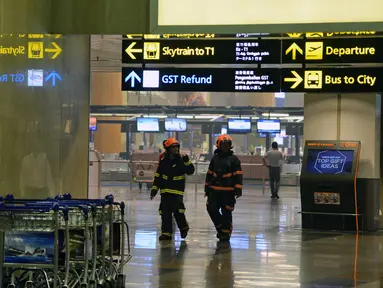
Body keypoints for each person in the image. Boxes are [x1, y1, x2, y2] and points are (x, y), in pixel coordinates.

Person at [150, 138, 195, 241]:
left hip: (177, 191)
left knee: (178, 211)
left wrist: (187, 161)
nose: (176, 149)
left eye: (177, 147)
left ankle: (184, 228)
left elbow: (190, 171)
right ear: (168, 149)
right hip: (165, 191)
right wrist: (154, 190)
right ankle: (166, 233)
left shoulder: (182, 159)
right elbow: (158, 176)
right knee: (165, 212)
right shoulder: (163, 160)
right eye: (173, 147)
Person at [205, 134, 243, 241]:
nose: (225, 147)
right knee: (211, 209)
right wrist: (206, 188)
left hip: (228, 191)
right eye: (223, 144)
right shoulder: (215, 159)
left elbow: (238, 175)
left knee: (227, 212)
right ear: (219, 145)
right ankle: (221, 228)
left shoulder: (234, 159)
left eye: (227, 145)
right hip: (214, 190)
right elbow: (209, 174)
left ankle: (225, 233)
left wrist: (238, 189)